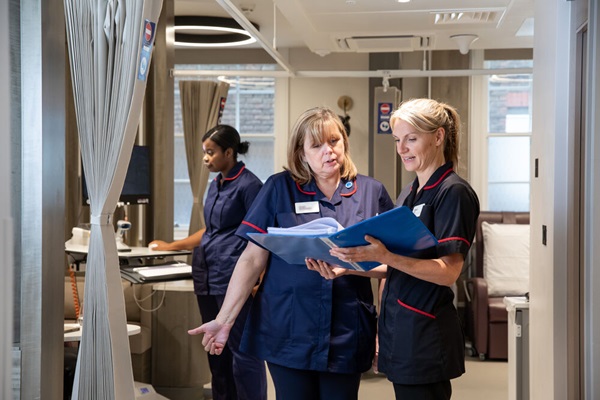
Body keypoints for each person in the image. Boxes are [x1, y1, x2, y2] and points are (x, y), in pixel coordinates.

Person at [188, 106, 394, 400]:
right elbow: (251, 258)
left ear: (344, 142)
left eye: (334, 141)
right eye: (317, 145)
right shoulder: (278, 188)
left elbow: (394, 264)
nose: (329, 151)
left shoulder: (371, 191)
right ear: (301, 152)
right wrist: (224, 320)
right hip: (286, 326)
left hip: (346, 329)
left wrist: (380, 328)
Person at [307, 98, 480, 400]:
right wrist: (349, 265)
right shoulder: (411, 193)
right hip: (401, 330)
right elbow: (400, 264)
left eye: (412, 139)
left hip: (426, 333)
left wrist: (385, 255)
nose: (402, 149)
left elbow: (448, 273)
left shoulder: (454, 192)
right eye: (398, 140)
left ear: (438, 137)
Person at [149, 124, 267, 400]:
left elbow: (263, 236)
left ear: (229, 152)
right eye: (204, 152)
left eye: (210, 152)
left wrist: (259, 281)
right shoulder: (215, 185)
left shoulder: (250, 186)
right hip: (207, 276)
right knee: (215, 350)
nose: (205, 158)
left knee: (243, 352)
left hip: (234, 279)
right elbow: (211, 231)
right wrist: (172, 246)